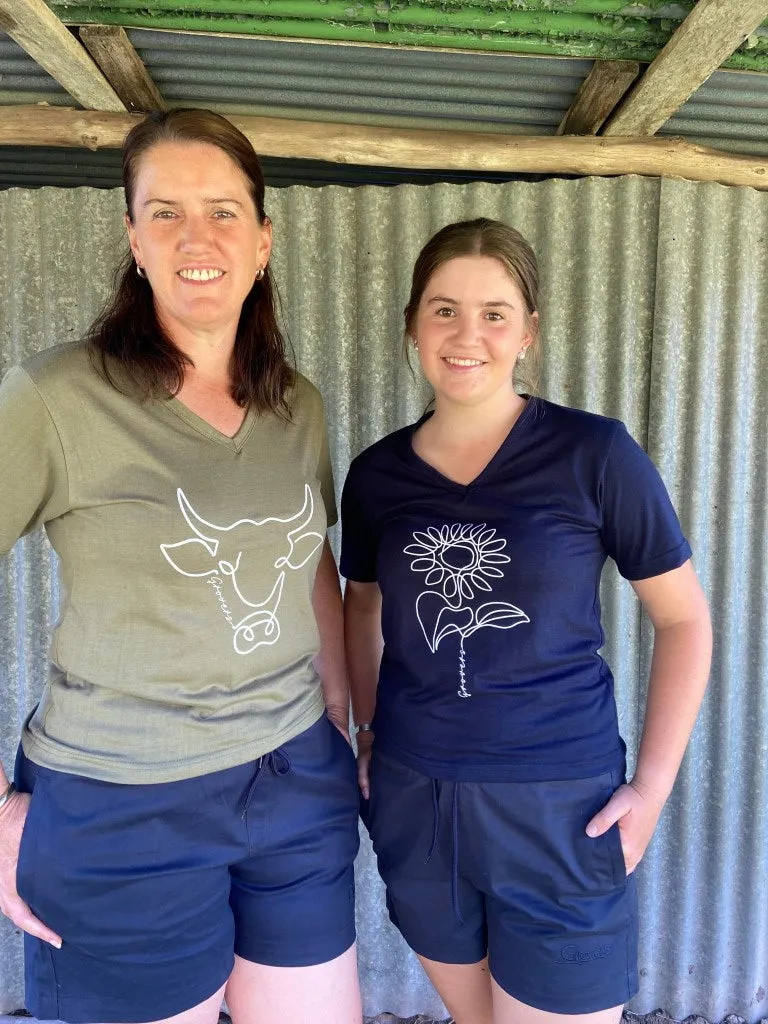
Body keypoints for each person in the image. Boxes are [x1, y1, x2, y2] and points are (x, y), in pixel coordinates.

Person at [0, 109, 361, 1024]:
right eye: (165, 213)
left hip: (293, 781)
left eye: (223, 212)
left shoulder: (298, 406)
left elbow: (312, 558)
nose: (196, 238)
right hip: (120, 802)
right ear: (132, 238)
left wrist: (343, 718)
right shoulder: (56, 397)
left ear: (264, 239)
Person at [341, 218, 712, 1024]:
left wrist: (650, 790)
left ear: (528, 332)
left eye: (494, 313)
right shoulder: (376, 475)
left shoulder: (596, 454)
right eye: (443, 310)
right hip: (416, 800)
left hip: (561, 808)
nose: (466, 334)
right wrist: (366, 730)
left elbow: (683, 622)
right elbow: (362, 603)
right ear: (412, 324)